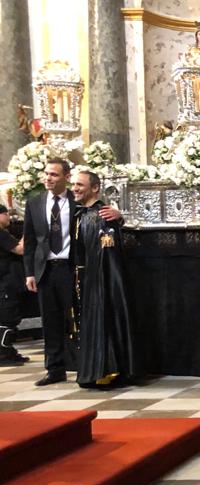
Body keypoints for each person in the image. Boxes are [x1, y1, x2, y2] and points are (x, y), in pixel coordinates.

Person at [69, 169, 137, 388]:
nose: (75, 188)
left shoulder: (103, 215)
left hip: (102, 281)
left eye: (80, 184)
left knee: (105, 321)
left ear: (95, 188)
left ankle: (106, 370)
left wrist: (100, 281)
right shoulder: (80, 214)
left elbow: (108, 252)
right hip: (86, 280)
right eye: (74, 184)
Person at [22, 158, 78, 385]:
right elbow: (30, 241)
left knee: (75, 317)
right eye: (46, 174)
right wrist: (29, 273)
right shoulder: (34, 203)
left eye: (54, 174)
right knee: (51, 320)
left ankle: (82, 363)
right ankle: (55, 368)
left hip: (70, 267)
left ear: (66, 177)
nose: (48, 178)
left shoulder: (76, 200)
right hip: (46, 268)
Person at [0, 205, 28, 366]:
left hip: (8, 280)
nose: (9, 217)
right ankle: (3, 354)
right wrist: (27, 232)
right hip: (5, 282)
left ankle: (8, 351)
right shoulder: (1, 234)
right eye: (6, 214)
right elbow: (20, 249)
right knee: (7, 317)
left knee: (9, 314)